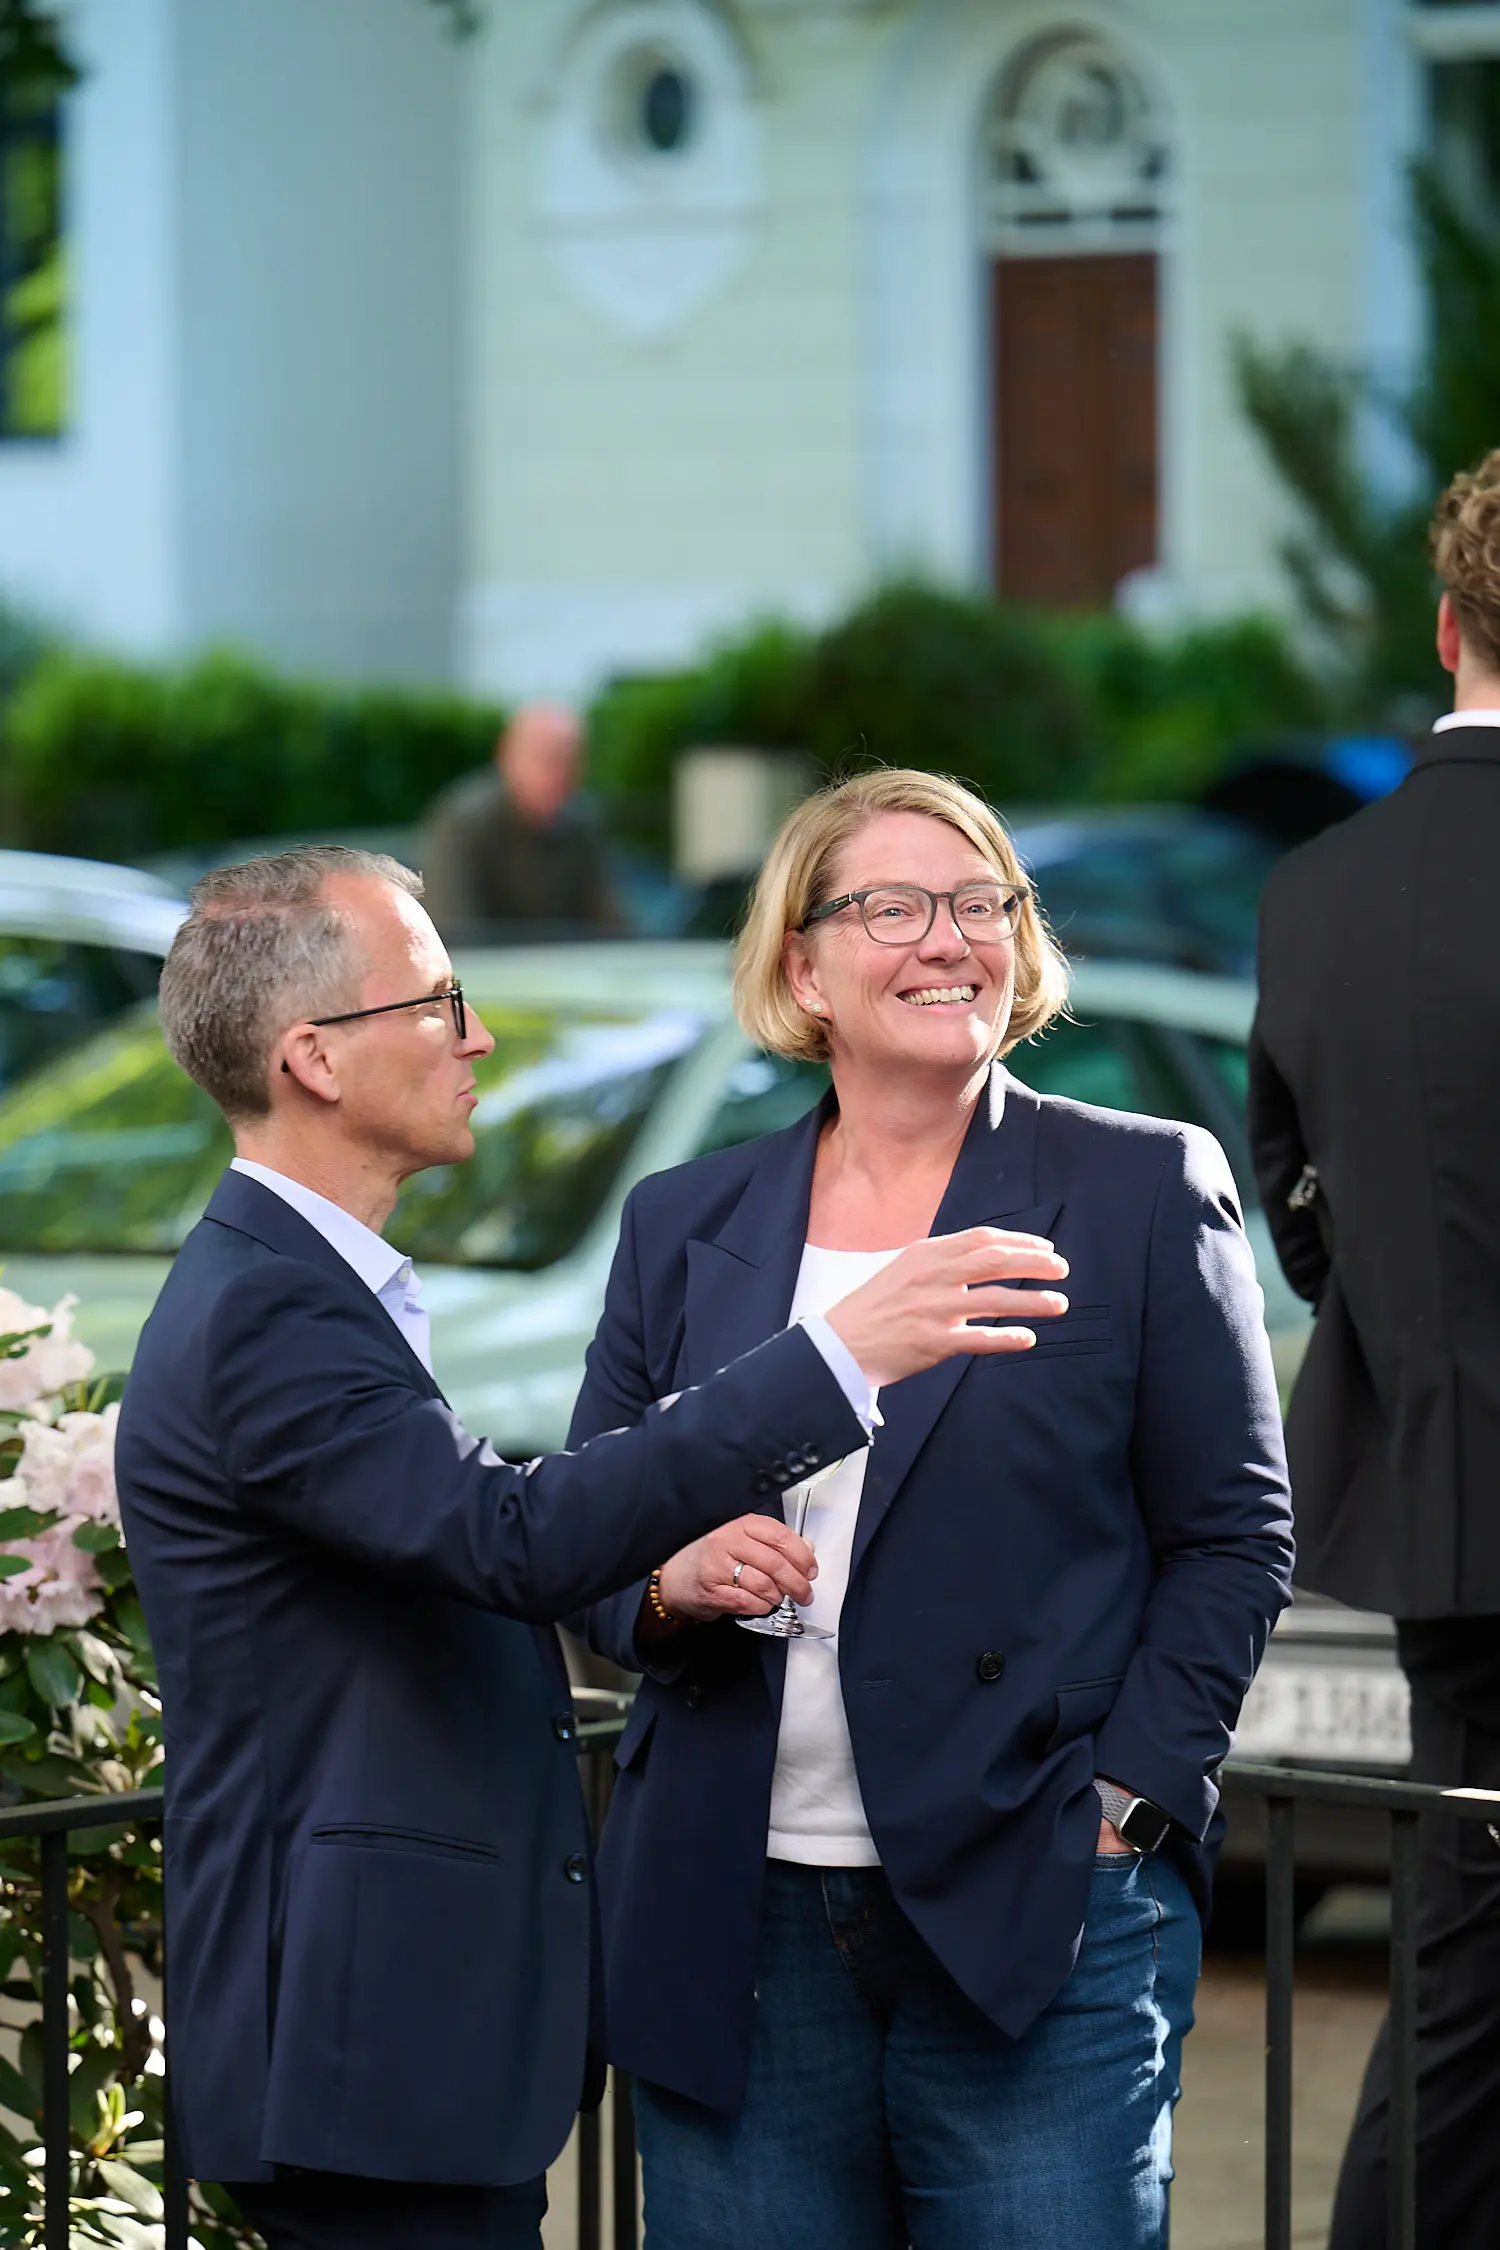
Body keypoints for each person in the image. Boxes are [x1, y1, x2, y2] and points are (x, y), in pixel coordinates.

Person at [114, 843, 1069, 2250]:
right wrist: (834, 1359)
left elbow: (456, 1542)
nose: (477, 1038)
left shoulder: (294, 1287)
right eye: (438, 1003)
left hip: (389, 2040)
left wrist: (668, 1573)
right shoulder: (269, 1309)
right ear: (313, 1057)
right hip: (357, 2040)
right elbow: (511, 1537)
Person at [570, 768, 1294, 2250]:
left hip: (1039, 1896)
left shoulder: (1141, 1185)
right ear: (802, 968)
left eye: (981, 903)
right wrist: (665, 1581)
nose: (948, 939)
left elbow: (1233, 1535)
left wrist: (1128, 1803)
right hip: (732, 1910)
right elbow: (586, 1530)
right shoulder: (684, 1219)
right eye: (892, 908)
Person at [1250, 452, 1500, 2250]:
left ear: (1445, 625)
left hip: (1446, 1505)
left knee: (1463, 1981)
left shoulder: (1317, 890)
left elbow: (1301, 1212)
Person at [419, 703, 623, 937]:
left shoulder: (583, 824)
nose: (560, 774)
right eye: (547, 759)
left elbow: (612, 923)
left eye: (571, 761)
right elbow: (455, 929)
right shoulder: (465, 823)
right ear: (507, 756)